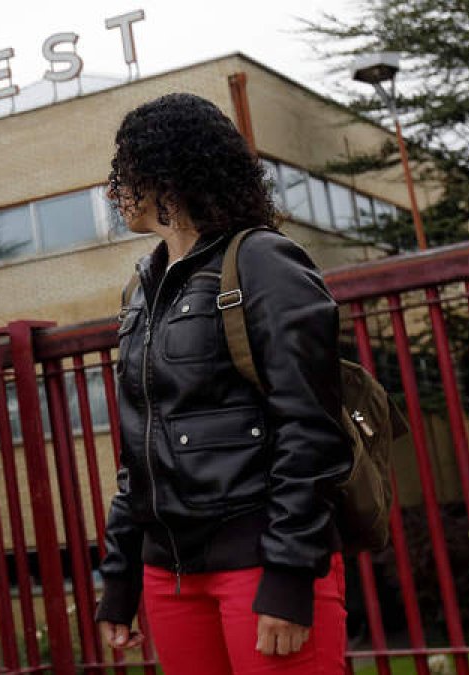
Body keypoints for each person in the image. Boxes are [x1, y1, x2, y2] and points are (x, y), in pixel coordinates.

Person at [95, 92, 352, 674]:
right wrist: (121, 576)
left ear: (166, 174)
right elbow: (138, 454)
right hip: (170, 576)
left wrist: (289, 574)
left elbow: (311, 429)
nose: (114, 192)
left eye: (124, 172)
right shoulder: (142, 291)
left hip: (261, 562)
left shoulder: (264, 263)